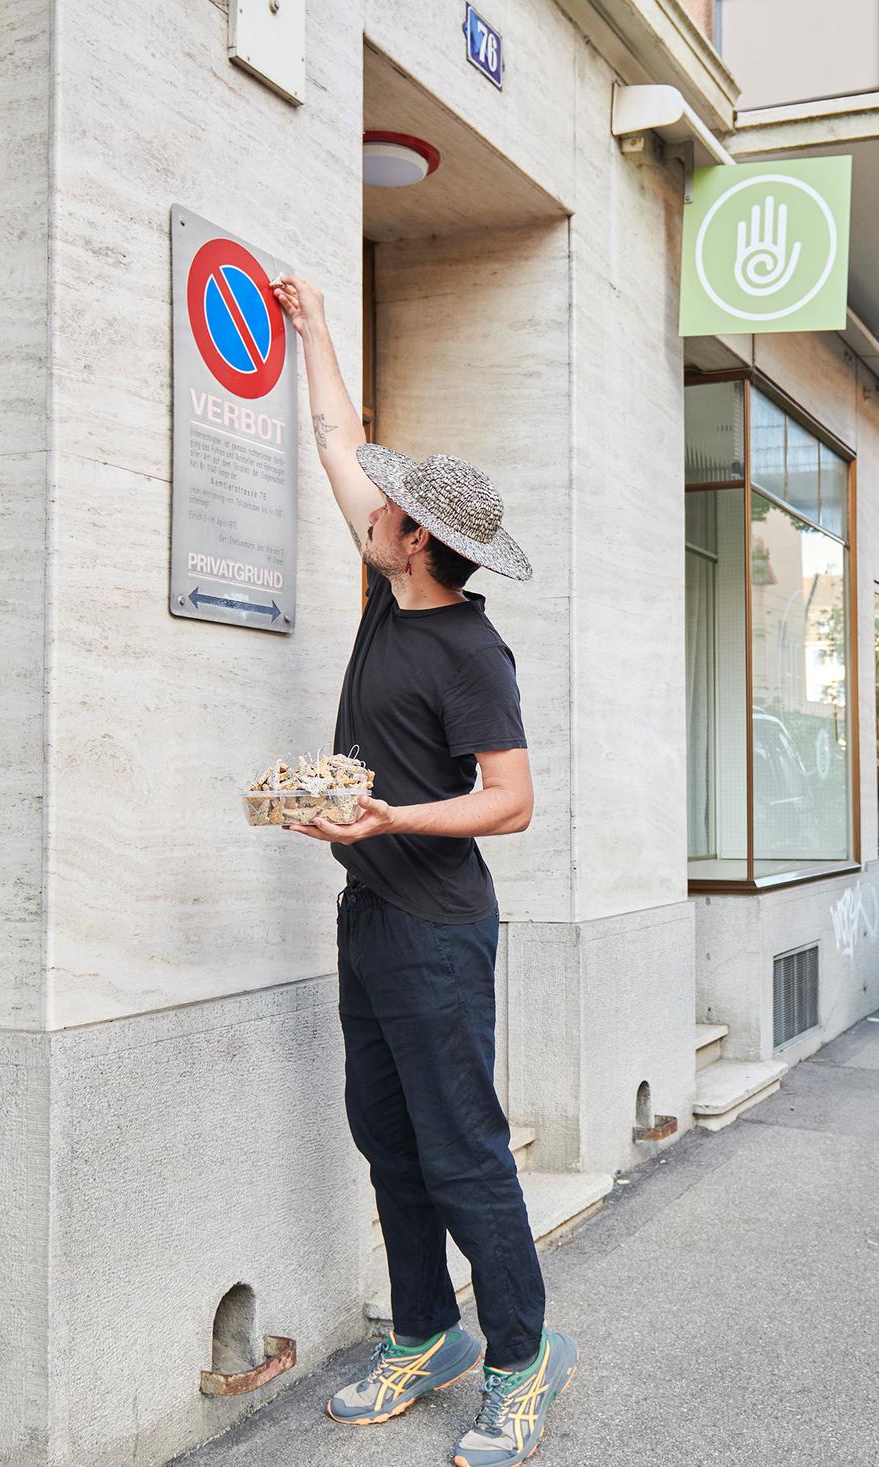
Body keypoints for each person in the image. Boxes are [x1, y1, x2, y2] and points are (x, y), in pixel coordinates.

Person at [273, 273, 576, 1466]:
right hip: (371, 916)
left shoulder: (468, 652)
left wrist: (391, 819)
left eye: (392, 508)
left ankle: (520, 1359)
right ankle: (423, 1334)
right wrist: (313, 330)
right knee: (387, 1139)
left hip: (438, 928)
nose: (375, 507)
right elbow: (335, 441)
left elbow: (512, 801)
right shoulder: (384, 593)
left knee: (462, 1151)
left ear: (418, 541)